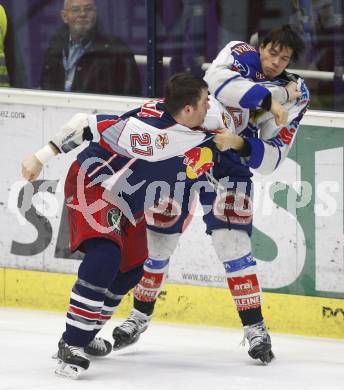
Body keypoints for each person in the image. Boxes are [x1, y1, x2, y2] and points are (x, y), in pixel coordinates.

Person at [22, 72, 250, 379]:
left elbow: (236, 162)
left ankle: (87, 334)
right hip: (93, 184)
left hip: (130, 202)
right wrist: (40, 157)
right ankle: (72, 342)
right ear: (187, 110)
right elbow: (83, 124)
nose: (210, 105)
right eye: (204, 101)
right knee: (106, 256)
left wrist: (239, 148)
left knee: (132, 268)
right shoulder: (147, 132)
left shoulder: (203, 126)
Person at [112, 25, 309, 365]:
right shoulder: (238, 53)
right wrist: (274, 97)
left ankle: (255, 328)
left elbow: (273, 157)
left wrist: (244, 141)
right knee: (159, 241)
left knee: (234, 246)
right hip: (187, 150)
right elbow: (218, 83)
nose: (275, 61)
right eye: (271, 52)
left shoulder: (298, 94)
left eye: (285, 58)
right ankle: (139, 317)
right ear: (259, 46)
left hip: (231, 162)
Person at [40, 0, 141, 95]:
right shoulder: (55, 47)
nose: (82, 14)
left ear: (96, 14)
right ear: (64, 16)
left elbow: (130, 95)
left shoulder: (115, 49)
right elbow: (45, 89)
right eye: (75, 10)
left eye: (88, 9)